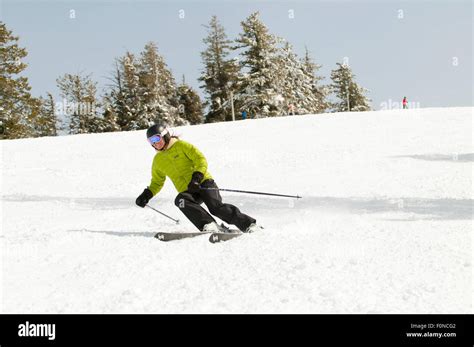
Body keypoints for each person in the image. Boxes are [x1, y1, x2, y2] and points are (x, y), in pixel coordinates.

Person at [135, 123, 263, 233]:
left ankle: (249, 225)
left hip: (203, 182)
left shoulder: (182, 146)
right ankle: (209, 225)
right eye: (151, 141)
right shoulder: (158, 160)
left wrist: (197, 177)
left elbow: (200, 159)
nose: (155, 143)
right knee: (181, 200)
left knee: (216, 207)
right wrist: (146, 195)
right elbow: (157, 182)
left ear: (165, 135)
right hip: (188, 190)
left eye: (157, 138)